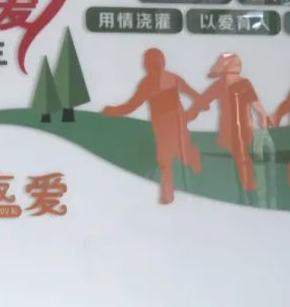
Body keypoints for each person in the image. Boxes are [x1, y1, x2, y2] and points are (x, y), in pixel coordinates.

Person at [102, 48, 203, 204]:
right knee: (169, 157)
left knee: (171, 157)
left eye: (152, 63)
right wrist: (196, 108)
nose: (153, 68)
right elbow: (194, 95)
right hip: (168, 125)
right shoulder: (156, 82)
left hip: (172, 123)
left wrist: (112, 111)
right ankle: (170, 192)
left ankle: (175, 187)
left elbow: (131, 106)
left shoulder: (158, 81)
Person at [191, 53, 271, 192]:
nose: (238, 66)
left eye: (238, 63)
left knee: (242, 157)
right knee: (238, 158)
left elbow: (255, 103)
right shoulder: (221, 85)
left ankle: (248, 187)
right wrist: (191, 113)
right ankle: (245, 187)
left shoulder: (242, 83)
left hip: (243, 127)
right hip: (230, 128)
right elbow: (202, 101)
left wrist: (263, 116)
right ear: (225, 67)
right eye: (235, 63)